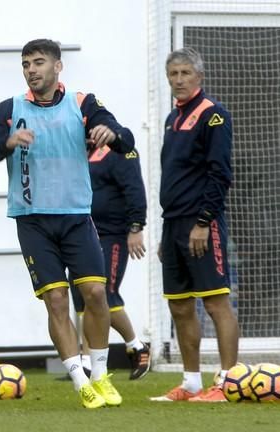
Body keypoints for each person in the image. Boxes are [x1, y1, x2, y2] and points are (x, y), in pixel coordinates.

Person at [0, 38, 134, 409]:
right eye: (26, 63)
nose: (32, 69)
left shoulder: (83, 103)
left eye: (39, 62)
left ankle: (100, 374)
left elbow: (124, 138)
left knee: (96, 295)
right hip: (32, 222)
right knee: (57, 299)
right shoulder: (10, 108)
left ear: (58, 66)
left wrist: (111, 134)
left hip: (76, 217)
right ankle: (80, 382)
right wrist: (8, 142)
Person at [150, 47, 238, 403]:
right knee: (180, 305)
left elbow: (220, 173)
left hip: (203, 223)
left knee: (216, 302)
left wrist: (203, 222)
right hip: (173, 225)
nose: (179, 80)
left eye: (186, 73)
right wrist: (164, 229)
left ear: (199, 77)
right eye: (173, 74)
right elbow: (173, 177)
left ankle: (227, 383)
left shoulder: (213, 115)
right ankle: (190, 384)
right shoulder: (173, 119)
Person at [70, 145, 150, 380]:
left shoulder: (120, 151)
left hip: (112, 235)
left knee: (103, 294)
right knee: (83, 297)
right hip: (84, 234)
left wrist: (136, 227)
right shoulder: (79, 151)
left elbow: (134, 189)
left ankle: (131, 348)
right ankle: (93, 358)